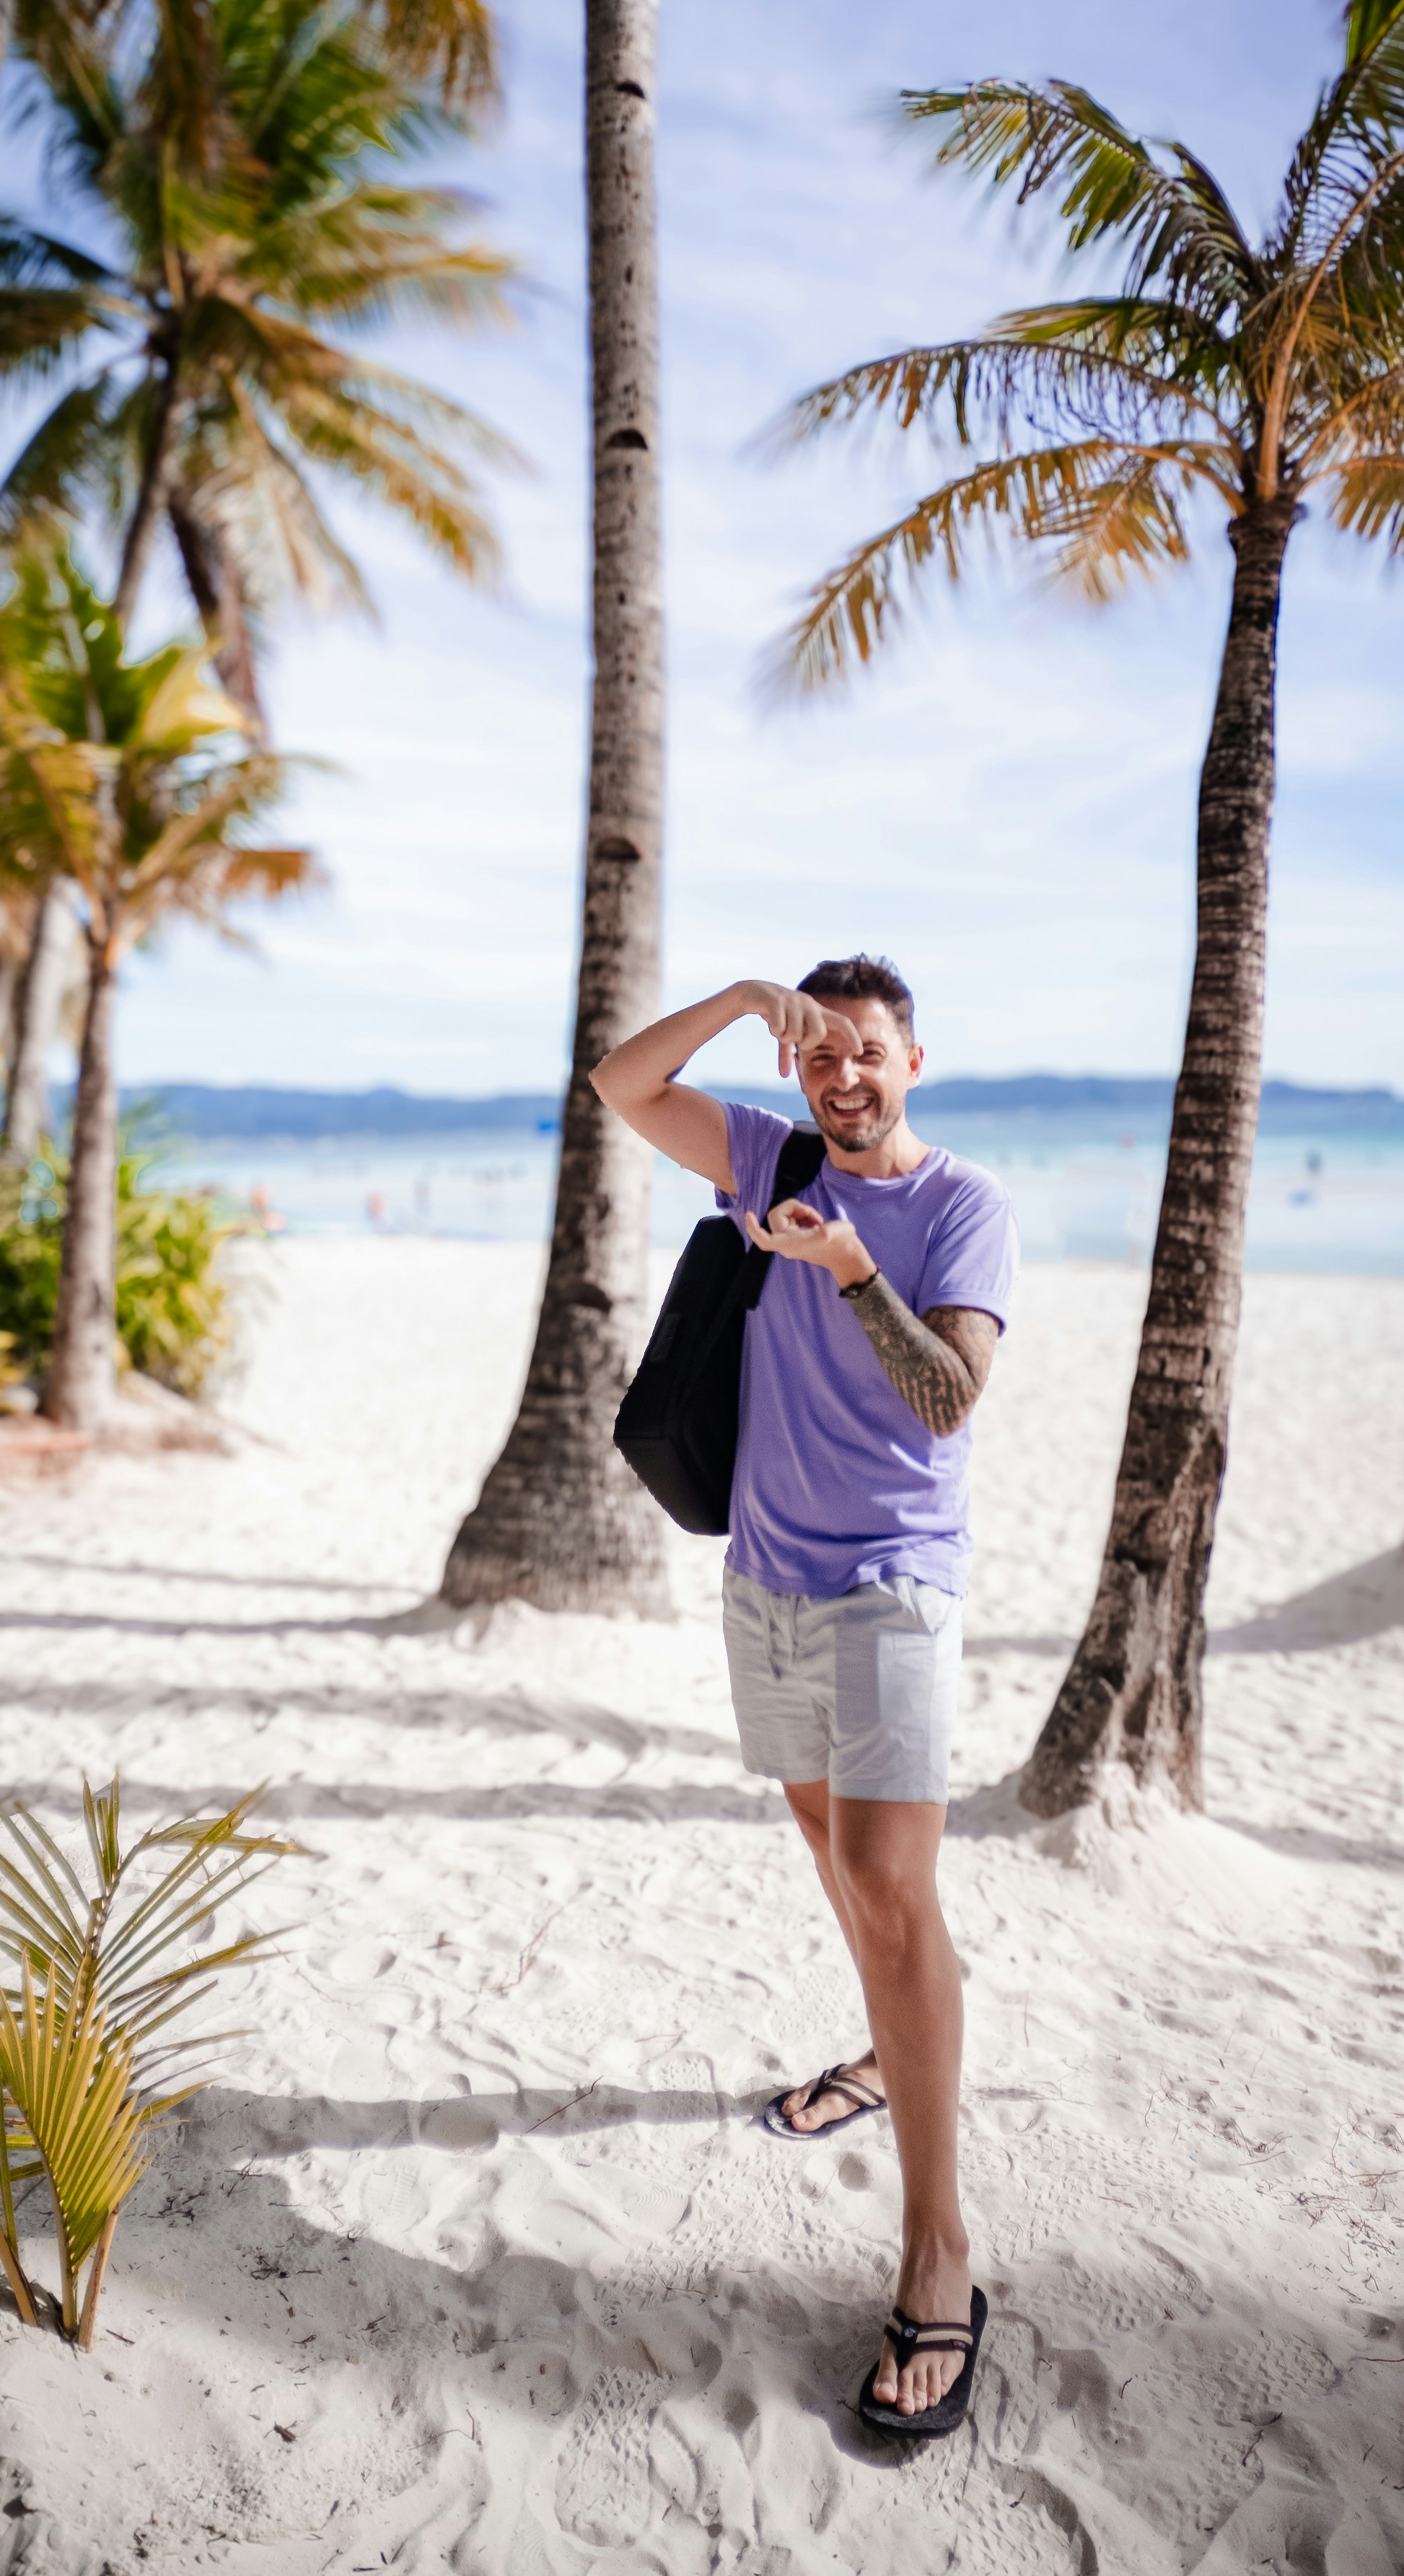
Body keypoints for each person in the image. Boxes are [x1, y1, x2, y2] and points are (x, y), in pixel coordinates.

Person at [594, 955, 1019, 2438]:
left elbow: (949, 1398)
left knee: (891, 1889)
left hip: (893, 1583)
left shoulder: (961, 1206)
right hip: (763, 1579)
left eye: (869, 1053)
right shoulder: (766, 1154)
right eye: (821, 1052)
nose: (844, 1076)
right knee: (835, 1859)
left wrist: (852, 1276)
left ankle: (939, 2252)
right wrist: (734, 998)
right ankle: (878, 2049)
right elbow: (618, 1088)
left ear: (917, 1062)